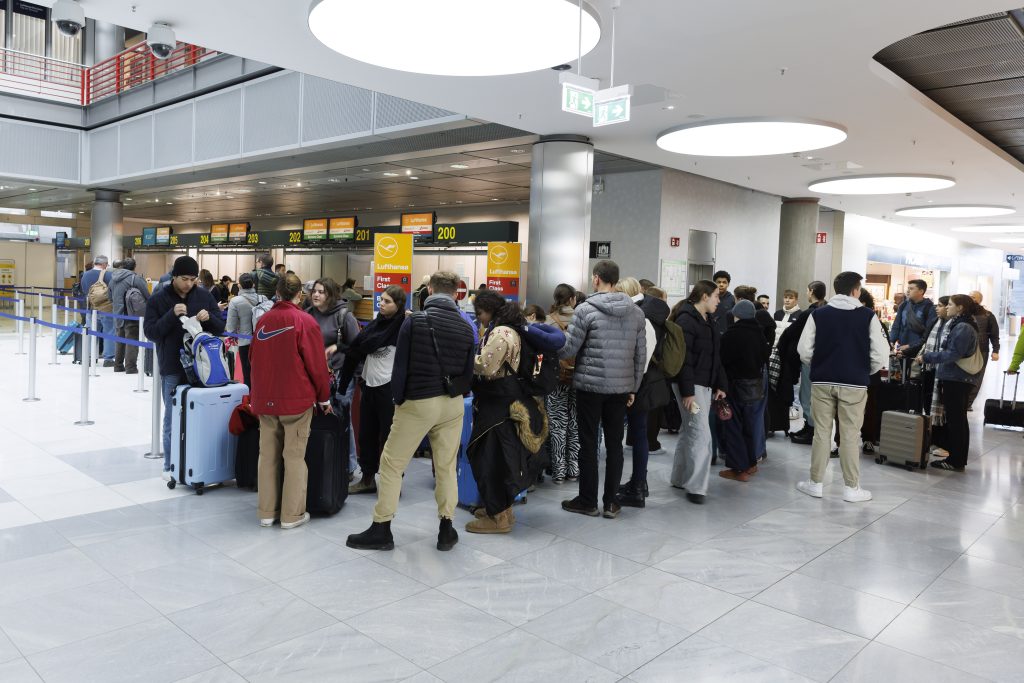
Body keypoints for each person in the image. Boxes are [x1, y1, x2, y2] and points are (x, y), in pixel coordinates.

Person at [346, 271, 475, 552]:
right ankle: (446, 528)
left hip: (418, 401)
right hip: (452, 404)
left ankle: (382, 528)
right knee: (445, 466)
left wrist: (399, 399)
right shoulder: (466, 327)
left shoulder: (414, 321)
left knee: (391, 464)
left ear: (429, 290)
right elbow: (468, 373)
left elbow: (400, 366)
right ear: (456, 294)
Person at [558, 260, 646, 518]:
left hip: (590, 386)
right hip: (621, 388)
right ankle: (611, 502)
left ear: (596, 279)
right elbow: (640, 355)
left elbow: (568, 349)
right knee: (615, 444)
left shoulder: (585, 310)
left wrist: (548, 341)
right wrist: (633, 387)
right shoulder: (636, 312)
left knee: (588, 443)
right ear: (616, 281)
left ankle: (587, 500)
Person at [795, 271, 888, 502]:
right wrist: (864, 370)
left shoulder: (819, 314)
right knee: (849, 435)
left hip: (823, 381)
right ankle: (851, 488)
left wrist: (820, 364)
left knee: (821, 433)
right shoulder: (868, 316)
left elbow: (804, 350)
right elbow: (880, 352)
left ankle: (815, 483)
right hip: (854, 383)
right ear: (856, 291)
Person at [249, 274, 332, 530]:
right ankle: (291, 515)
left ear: (277, 292)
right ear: (300, 295)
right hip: (296, 401)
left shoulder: (263, 320)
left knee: (267, 456)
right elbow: (317, 366)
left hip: (265, 400)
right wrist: (323, 397)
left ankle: (266, 512)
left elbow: (252, 358)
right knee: (294, 457)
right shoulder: (304, 322)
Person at [464, 291, 548, 534]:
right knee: (500, 456)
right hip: (507, 400)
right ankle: (502, 510)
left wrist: (464, 358)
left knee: (489, 457)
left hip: (496, 402)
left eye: (480, 313)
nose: (479, 318)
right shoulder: (512, 329)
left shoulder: (501, 333)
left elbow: (487, 365)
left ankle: (498, 518)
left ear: (489, 310)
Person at [143, 256, 225, 481]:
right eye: (184, 279)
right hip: (172, 366)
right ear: (174, 277)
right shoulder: (159, 299)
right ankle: (170, 464)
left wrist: (209, 319)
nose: (189, 284)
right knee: (172, 416)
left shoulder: (204, 296)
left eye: (192, 279)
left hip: (202, 367)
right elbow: (150, 332)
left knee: (201, 414)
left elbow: (221, 328)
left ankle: (196, 461)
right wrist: (171, 315)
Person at [337, 285, 406, 495]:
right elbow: (358, 350)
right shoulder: (376, 324)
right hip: (369, 385)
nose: (382, 304)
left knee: (390, 439)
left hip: (389, 389)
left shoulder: (405, 326)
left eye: (387, 301)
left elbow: (364, 346)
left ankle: (391, 483)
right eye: (381, 300)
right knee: (366, 435)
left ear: (399, 305)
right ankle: (367, 479)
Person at [670, 280, 728, 504]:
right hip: (690, 387)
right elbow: (685, 360)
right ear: (704, 296)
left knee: (690, 430)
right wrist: (687, 391)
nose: (718, 300)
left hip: (703, 385)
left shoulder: (708, 320)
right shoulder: (687, 320)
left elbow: (716, 355)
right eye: (716, 296)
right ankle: (696, 487)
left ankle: (679, 477)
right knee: (701, 434)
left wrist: (721, 384)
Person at [619, 278, 672, 508]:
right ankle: (639, 482)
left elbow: (642, 357)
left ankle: (638, 486)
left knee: (639, 435)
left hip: (640, 384)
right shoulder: (649, 313)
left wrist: (631, 387)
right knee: (639, 434)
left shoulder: (643, 317)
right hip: (646, 382)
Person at [918, 295, 982, 472]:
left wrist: (927, 357)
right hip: (956, 378)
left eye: (951, 305)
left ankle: (956, 460)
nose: (947, 308)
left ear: (960, 308)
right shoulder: (960, 324)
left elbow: (953, 354)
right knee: (958, 419)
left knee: (956, 420)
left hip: (957, 379)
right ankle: (957, 458)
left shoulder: (962, 327)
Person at [718, 300, 771, 481]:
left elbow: (723, 361)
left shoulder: (731, 335)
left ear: (737, 314)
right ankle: (751, 464)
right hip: (755, 387)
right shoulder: (759, 334)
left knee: (733, 427)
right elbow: (765, 357)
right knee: (750, 426)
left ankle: (738, 470)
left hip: (735, 386)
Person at [545, 284, 580, 485]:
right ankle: (573, 468)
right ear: (572, 299)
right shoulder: (582, 319)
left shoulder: (549, 321)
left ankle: (558, 471)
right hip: (578, 378)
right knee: (575, 421)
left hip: (555, 379)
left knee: (557, 424)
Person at [788, 280, 827, 445]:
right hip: (822, 360)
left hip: (810, 360)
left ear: (811, 292)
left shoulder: (811, 313)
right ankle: (808, 427)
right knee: (812, 397)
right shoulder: (827, 310)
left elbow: (796, 335)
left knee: (807, 396)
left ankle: (810, 430)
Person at [916, 296, 951, 459]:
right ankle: (931, 439)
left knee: (941, 407)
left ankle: (941, 441)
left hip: (943, 371)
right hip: (929, 368)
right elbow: (925, 342)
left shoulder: (953, 326)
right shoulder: (936, 322)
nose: (938, 308)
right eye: (938, 305)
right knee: (928, 403)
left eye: (943, 305)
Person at [109, 258, 150, 374]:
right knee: (131, 340)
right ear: (134, 266)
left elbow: (109, 296)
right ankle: (130, 367)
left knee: (119, 339)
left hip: (117, 313)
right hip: (131, 314)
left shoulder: (113, 279)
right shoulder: (135, 278)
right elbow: (147, 295)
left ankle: (118, 365)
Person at [226, 272, 261, 388]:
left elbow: (230, 328)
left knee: (247, 374)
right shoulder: (263, 299)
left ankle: (250, 402)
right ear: (254, 285)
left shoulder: (235, 301)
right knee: (260, 373)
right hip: (262, 342)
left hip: (245, 343)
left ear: (239, 285)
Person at [967, 290, 1000, 410]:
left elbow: (994, 334)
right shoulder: (962, 314)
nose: (971, 299)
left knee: (977, 377)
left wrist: (995, 350)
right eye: (969, 296)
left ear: (980, 300)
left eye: (973, 297)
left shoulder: (988, 315)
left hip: (981, 350)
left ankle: (968, 403)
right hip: (964, 351)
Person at [82, 255, 116, 367]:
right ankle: (108, 359)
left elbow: (84, 290)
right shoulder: (109, 275)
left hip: (91, 308)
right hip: (106, 309)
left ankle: (90, 357)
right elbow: (113, 291)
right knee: (109, 332)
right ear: (104, 264)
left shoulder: (85, 275)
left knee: (91, 333)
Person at [889, 279, 936, 353]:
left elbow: (928, 333)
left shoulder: (929, 308)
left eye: (911, 289)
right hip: (901, 349)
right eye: (908, 288)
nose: (908, 291)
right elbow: (896, 325)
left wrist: (910, 346)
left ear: (921, 291)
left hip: (918, 351)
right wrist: (891, 340)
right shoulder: (904, 305)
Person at [710, 270, 735, 336]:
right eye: (719, 282)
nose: (721, 284)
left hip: (727, 335)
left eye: (724, 282)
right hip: (710, 333)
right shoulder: (708, 298)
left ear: (728, 284)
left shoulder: (733, 299)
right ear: (714, 283)